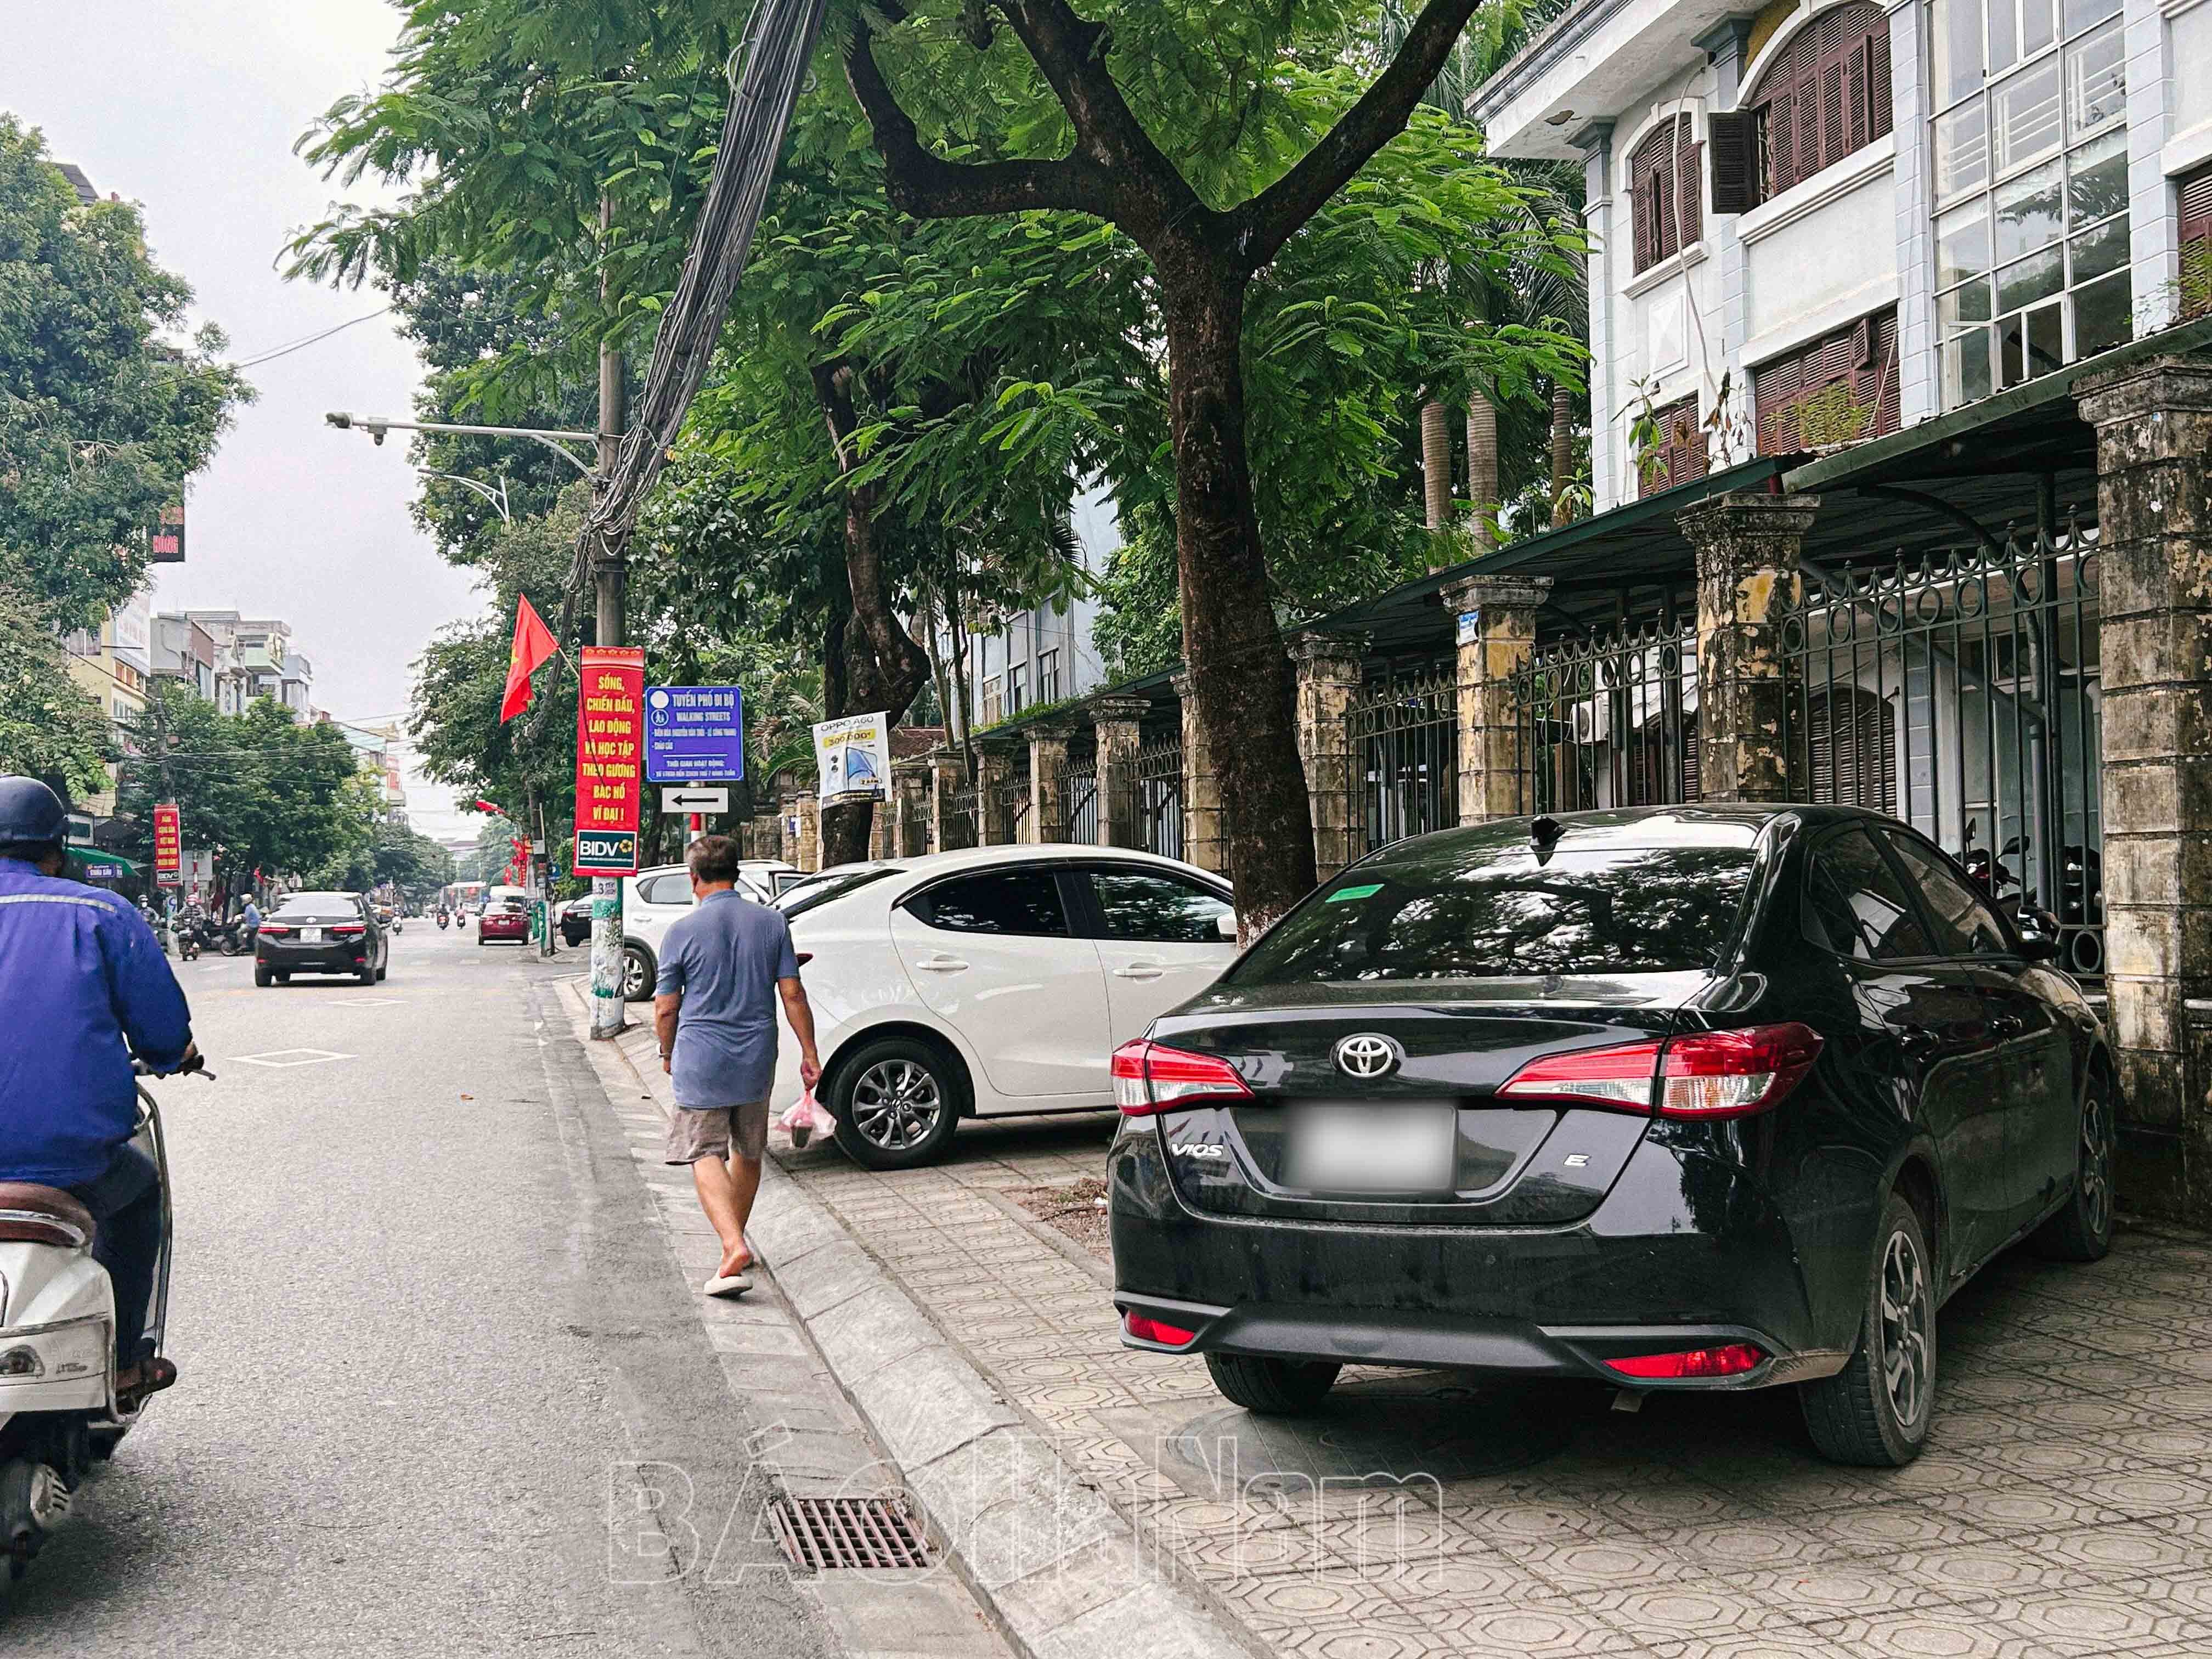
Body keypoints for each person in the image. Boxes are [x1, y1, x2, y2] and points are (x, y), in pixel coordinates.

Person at [0, 777, 195, 1401]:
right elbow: (162, 1031)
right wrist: (174, 1055)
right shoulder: (102, 913)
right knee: (140, 1197)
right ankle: (125, 1361)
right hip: (74, 1162)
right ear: (58, 850)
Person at [653, 835, 820, 1296]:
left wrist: (666, 1052)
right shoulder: (772, 923)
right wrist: (809, 1053)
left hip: (701, 1057)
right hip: (755, 1056)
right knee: (748, 1151)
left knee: (703, 1151)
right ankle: (734, 1246)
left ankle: (732, 1245)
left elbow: (666, 1007)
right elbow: (792, 993)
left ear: (694, 878)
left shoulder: (681, 931)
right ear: (738, 873)